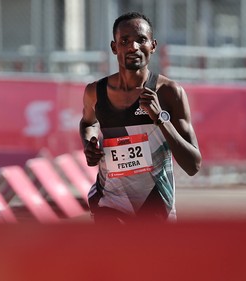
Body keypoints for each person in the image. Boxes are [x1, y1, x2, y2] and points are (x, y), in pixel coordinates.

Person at [79, 11, 202, 224]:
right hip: (109, 200)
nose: (133, 47)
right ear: (114, 47)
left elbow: (193, 165)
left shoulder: (169, 92)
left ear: (153, 46)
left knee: (150, 258)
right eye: (124, 41)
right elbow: (88, 123)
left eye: (141, 40)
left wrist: (160, 118)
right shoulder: (95, 92)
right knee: (112, 254)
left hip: (155, 205)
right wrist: (89, 143)